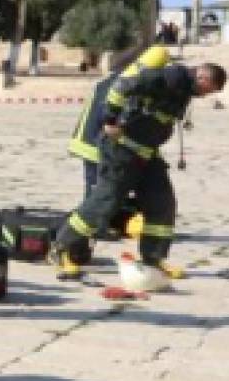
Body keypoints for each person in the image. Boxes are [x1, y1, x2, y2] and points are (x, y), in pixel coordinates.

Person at [52, 58, 227, 281]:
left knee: (162, 202)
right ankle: (63, 248)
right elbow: (123, 86)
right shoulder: (171, 77)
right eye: (207, 90)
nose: (205, 95)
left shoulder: (184, 89)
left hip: (147, 153)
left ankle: (153, 259)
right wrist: (110, 120)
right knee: (106, 201)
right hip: (121, 149)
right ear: (202, 77)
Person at [66, 46, 174, 239]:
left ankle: (100, 223)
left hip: (92, 137)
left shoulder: (122, 77)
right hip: (95, 141)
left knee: (101, 186)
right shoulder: (127, 82)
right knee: (100, 188)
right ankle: (95, 228)